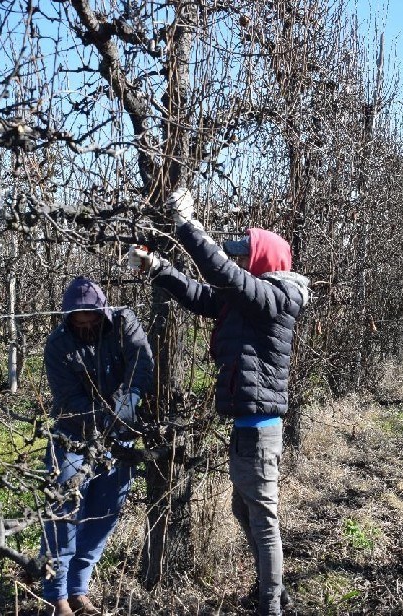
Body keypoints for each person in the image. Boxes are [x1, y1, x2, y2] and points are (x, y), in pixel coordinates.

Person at [131, 188, 309, 616]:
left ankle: (272, 605)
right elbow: (202, 295)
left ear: (264, 261)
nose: (239, 261)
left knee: (263, 520)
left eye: (246, 255)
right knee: (244, 508)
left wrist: (188, 227)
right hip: (248, 426)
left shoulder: (274, 300)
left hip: (260, 429)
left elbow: (226, 278)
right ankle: (275, 593)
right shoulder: (247, 301)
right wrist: (159, 268)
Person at [40, 277, 155, 616]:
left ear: (103, 311)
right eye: (80, 319)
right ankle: (56, 595)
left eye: (92, 317)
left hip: (120, 438)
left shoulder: (123, 323)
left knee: (105, 513)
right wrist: (106, 418)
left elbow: (141, 362)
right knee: (62, 515)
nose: (87, 324)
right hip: (73, 436)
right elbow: (69, 399)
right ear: (68, 317)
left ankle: (78, 588)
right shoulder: (58, 345)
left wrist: (129, 399)